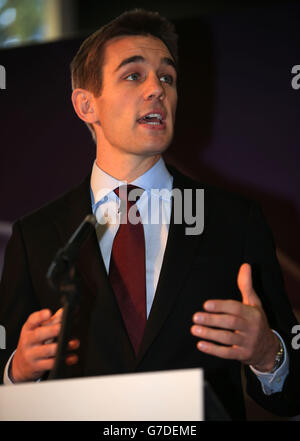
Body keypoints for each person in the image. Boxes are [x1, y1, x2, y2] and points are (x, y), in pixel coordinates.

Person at [0, 9, 299, 421]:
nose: (157, 89)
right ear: (87, 104)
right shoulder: (36, 237)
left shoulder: (235, 220)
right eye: (133, 75)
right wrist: (16, 373)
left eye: (167, 78)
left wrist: (269, 352)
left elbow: (291, 393)